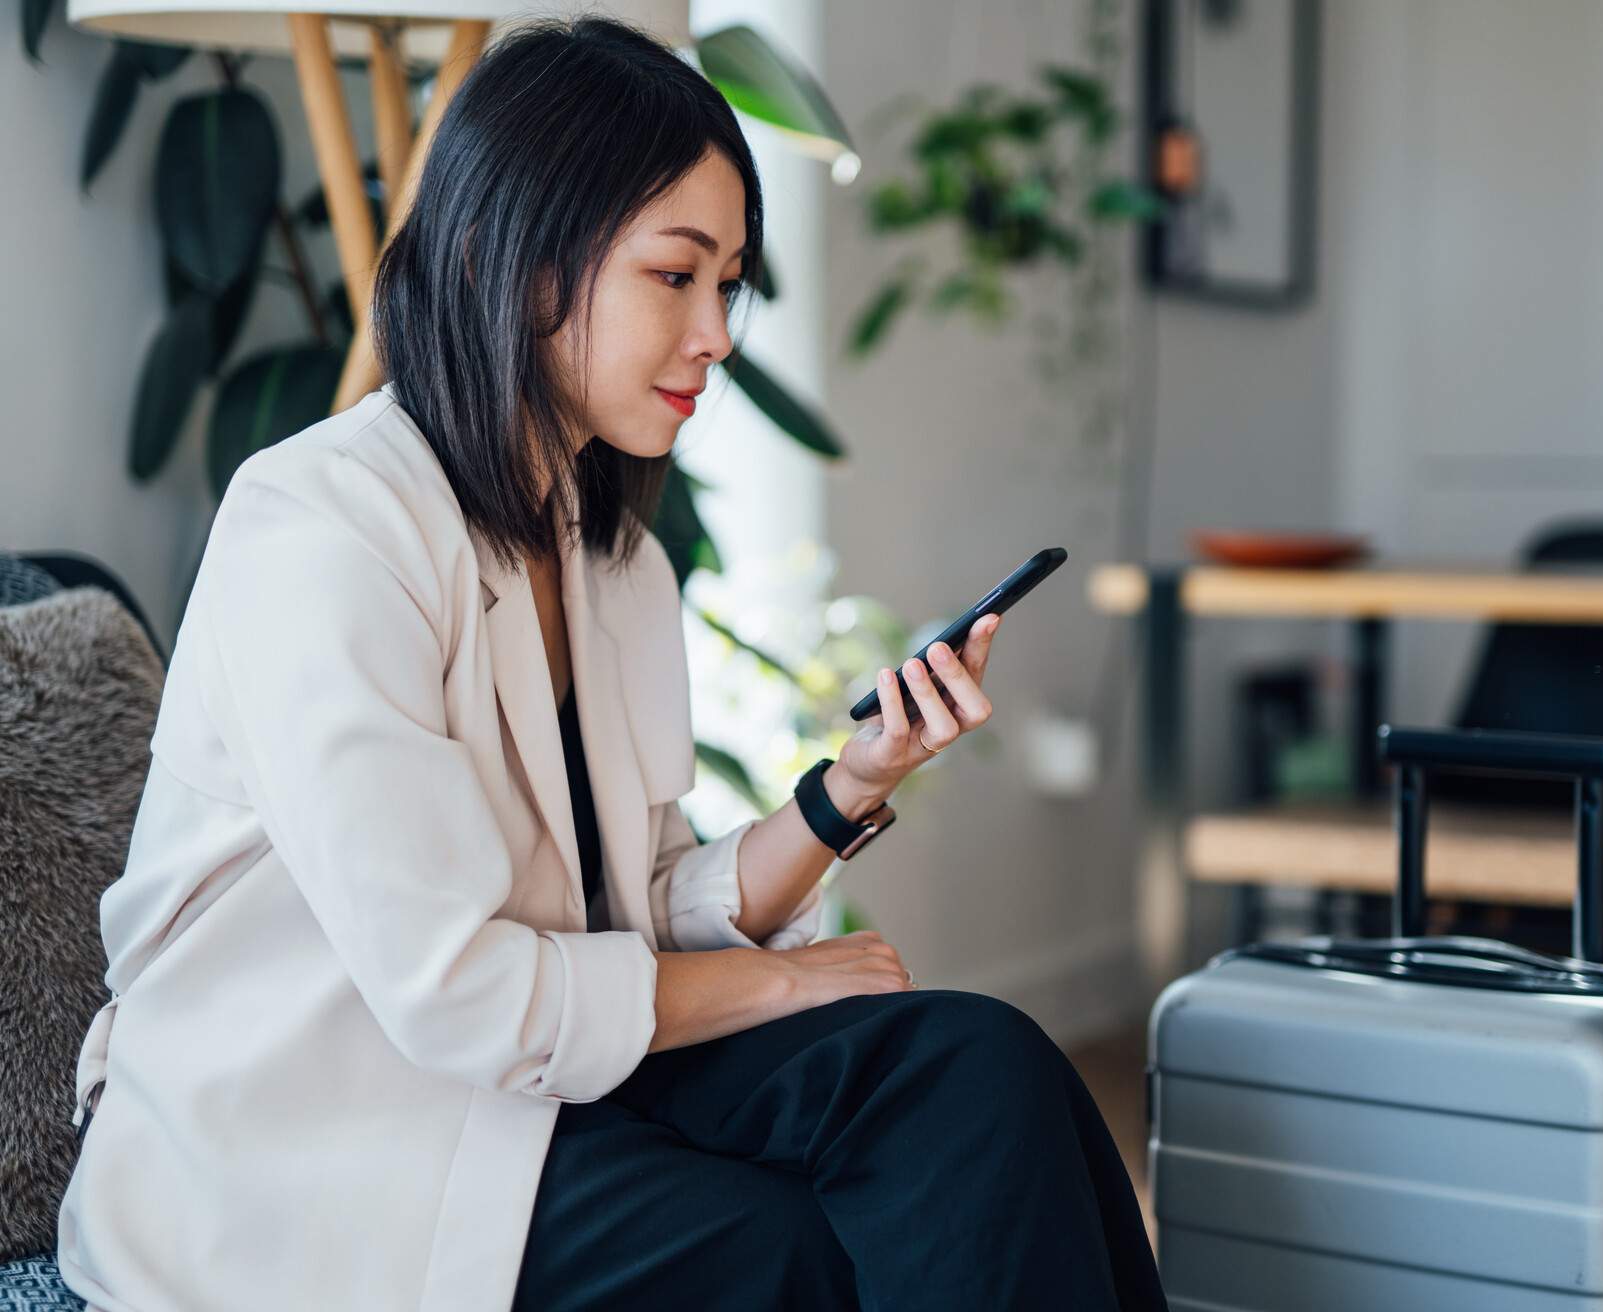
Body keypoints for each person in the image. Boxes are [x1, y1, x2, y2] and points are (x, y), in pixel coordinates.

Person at [56, 16, 1168, 1311]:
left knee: (984, 1075)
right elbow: (458, 997)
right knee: (789, 1250)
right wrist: (779, 981)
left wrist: (854, 783)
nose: (718, 333)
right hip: (320, 1141)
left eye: (729, 283)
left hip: (548, 1075)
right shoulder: (319, 525)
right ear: (516, 260)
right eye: (674, 276)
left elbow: (635, 906)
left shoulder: (612, 559)